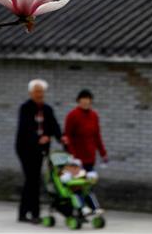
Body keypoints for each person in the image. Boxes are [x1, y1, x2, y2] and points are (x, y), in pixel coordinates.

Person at [15, 78, 64, 224]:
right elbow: (27, 127)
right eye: (36, 91)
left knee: (31, 181)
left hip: (41, 150)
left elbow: (54, 126)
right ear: (31, 93)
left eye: (41, 91)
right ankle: (34, 214)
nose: (39, 94)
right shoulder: (25, 108)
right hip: (26, 149)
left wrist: (62, 138)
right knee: (33, 181)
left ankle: (23, 213)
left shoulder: (47, 109)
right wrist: (38, 138)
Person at [64, 89, 108, 172]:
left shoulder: (94, 116)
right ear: (78, 100)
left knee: (89, 182)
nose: (85, 101)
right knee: (76, 184)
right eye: (83, 99)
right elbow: (67, 136)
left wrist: (103, 153)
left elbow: (97, 136)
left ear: (90, 101)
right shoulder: (72, 115)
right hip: (76, 159)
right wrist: (72, 156)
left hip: (90, 157)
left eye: (88, 99)